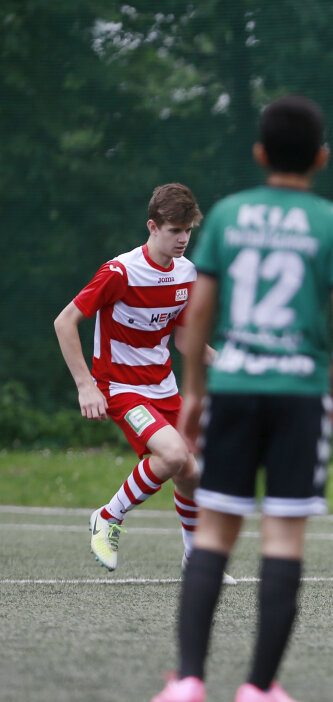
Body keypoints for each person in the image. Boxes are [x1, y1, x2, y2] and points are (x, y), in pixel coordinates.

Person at [151, 94, 333, 702]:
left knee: (215, 530)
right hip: (299, 395)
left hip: (236, 390)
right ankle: (259, 688)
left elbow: (199, 312)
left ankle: (189, 681)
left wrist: (195, 392)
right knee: (283, 535)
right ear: (322, 158)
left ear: (259, 153)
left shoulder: (227, 215)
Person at [53, 183, 235, 586]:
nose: (183, 239)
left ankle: (197, 562)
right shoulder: (119, 272)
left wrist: (227, 365)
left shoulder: (187, 273)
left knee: (192, 473)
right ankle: (107, 516)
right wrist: (86, 385)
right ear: (152, 226)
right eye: (174, 230)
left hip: (163, 387)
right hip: (120, 388)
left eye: (188, 230)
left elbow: (184, 338)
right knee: (172, 455)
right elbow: (64, 322)